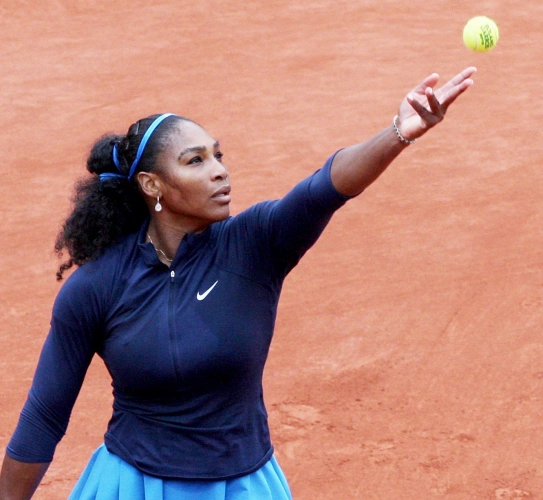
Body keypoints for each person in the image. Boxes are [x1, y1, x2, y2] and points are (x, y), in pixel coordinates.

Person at [0, 67, 476, 500]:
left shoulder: (255, 245)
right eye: (195, 161)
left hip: (242, 486)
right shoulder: (97, 287)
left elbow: (324, 189)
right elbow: (44, 415)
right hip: (134, 486)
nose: (219, 170)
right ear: (151, 185)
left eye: (218, 155)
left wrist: (399, 134)